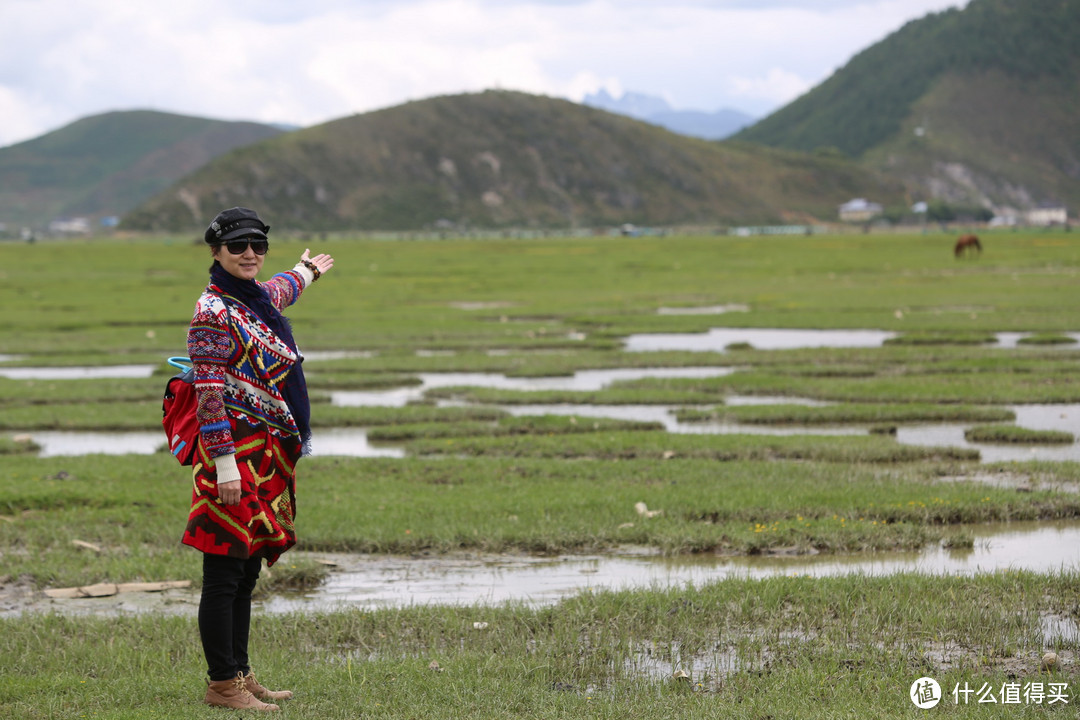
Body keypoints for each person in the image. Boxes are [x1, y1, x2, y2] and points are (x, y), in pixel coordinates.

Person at [182, 207, 334, 711]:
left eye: (258, 246)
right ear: (216, 252)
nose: (250, 254)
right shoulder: (212, 311)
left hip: (265, 458)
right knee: (223, 574)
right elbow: (208, 395)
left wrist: (306, 271)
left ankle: (241, 674)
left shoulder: (254, 298)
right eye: (238, 246)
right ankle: (221, 685)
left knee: (245, 571)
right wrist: (224, 466)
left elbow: (279, 289)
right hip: (232, 459)